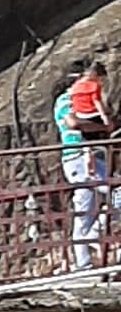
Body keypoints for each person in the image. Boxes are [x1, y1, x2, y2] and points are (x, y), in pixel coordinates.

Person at [55, 58, 112, 275]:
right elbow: (72, 122)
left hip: (91, 155)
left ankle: (85, 259)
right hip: (77, 156)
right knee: (91, 206)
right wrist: (101, 127)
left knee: (86, 209)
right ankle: (84, 262)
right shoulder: (66, 100)